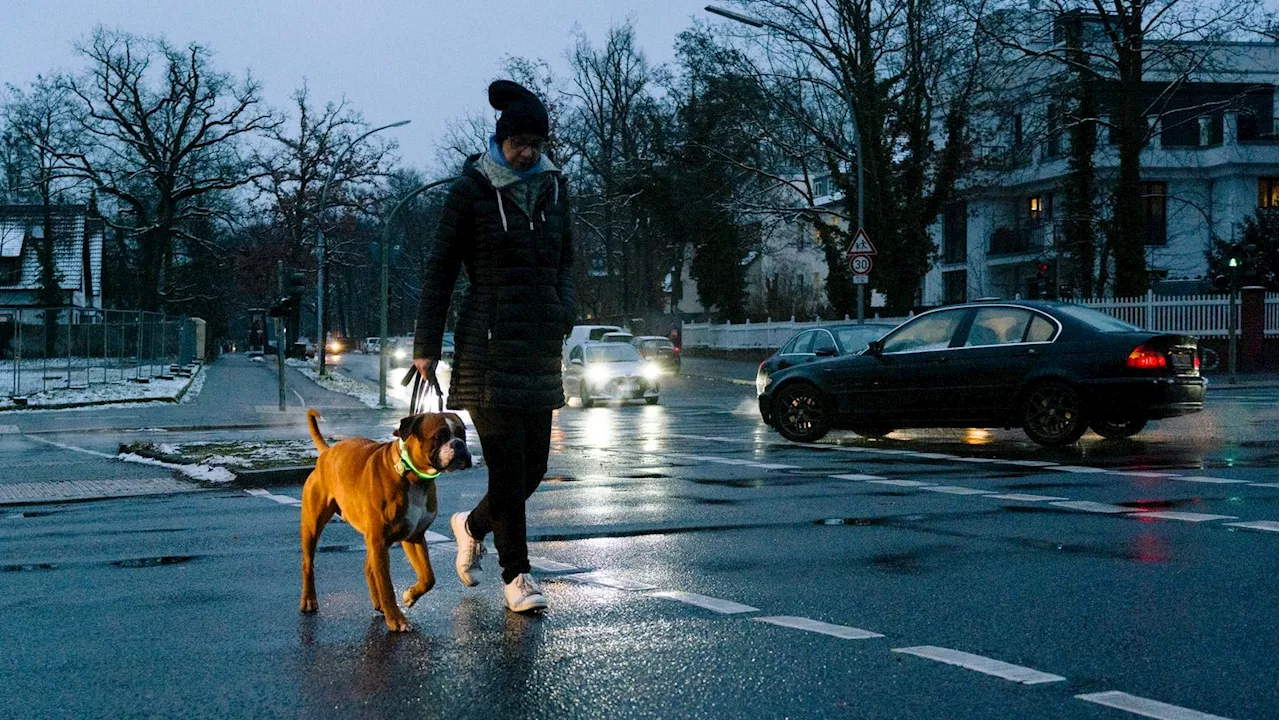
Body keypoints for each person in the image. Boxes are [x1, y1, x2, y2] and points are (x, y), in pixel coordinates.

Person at [413, 79, 574, 614]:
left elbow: (567, 260)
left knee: (531, 472)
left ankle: (471, 525)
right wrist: (425, 347)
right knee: (507, 469)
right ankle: (517, 577)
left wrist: (562, 308)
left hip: (539, 350)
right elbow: (439, 270)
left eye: (536, 141)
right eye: (518, 141)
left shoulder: (555, 188)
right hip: (487, 352)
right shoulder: (472, 191)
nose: (527, 151)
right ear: (500, 139)